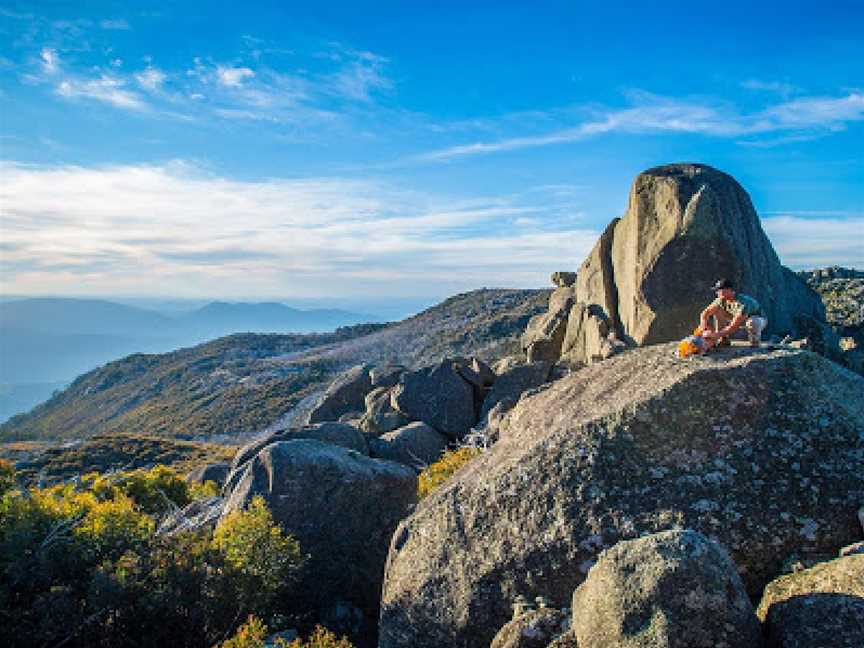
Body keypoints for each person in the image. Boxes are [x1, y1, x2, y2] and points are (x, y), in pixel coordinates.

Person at [699, 279, 767, 347]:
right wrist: (703, 327)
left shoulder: (743, 303)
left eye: (719, 290)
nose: (717, 293)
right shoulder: (720, 300)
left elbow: (733, 327)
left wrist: (715, 335)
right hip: (737, 318)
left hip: (757, 319)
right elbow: (705, 313)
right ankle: (723, 340)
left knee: (753, 322)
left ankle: (755, 342)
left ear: (728, 290)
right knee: (717, 310)